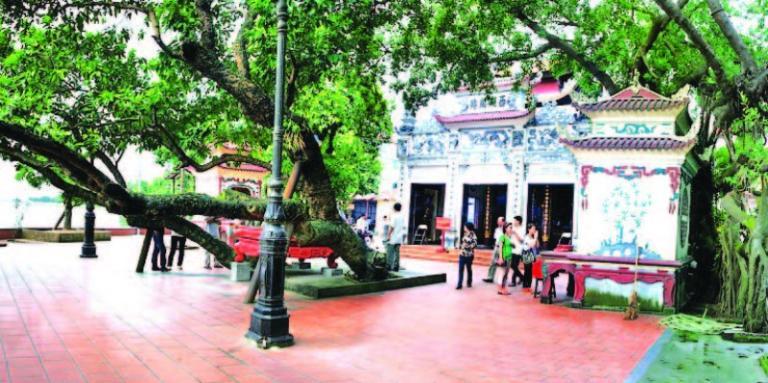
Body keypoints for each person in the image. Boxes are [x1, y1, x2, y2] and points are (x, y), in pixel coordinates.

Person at [483, 216, 506, 283]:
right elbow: (496, 239)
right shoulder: (497, 229)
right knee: (493, 262)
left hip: (503, 248)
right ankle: (490, 277)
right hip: (496, 247)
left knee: (503, 264)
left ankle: (503, 279)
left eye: (499, 221)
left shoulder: (506, 230)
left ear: (503, 222)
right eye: (497, 221)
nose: (498, 222)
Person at [456, 222, 478, 289]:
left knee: (469, 269)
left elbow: (475, 244)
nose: (464, 228)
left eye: (465, 226)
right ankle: (459, 284)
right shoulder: (465, 234)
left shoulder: (473, 235)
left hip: (469, 255)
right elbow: (464, 243)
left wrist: (467, 247)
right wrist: (460, 246)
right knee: (460, 269)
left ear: (468, 227)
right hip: (462, 254)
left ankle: (469, 282)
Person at [386, 203, 405, 271]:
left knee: (390, 252)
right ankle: (396, 266)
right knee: (397, 253)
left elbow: (392, 226)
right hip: (399, 237)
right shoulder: (402, 216)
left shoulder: (394, 216)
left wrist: (388, 235)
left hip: (393, 236)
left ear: (394, 208)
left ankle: (389, 265)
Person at [497, 223, 515, 295]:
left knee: (506, 274)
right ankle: (500, 288)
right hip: (504, 258)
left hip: (509, 258)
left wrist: (512, 245)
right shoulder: (502, 237)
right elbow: (500, 248)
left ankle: (503, 287)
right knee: (502, 273)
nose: (511, 229)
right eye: (510, 227)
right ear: (505, 229)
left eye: (511, 228)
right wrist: (501, 258)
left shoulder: (509, 237)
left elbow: (508, 246)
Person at [522, 223, 540, 292]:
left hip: (532, 254)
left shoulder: (533, 237)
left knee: (530, 271)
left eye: (534, 229)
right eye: (533, 229)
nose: (534, 230)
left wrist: (536, 238)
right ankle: (525, 286)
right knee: (527, 271)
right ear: (529, 229)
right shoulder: (526, 237)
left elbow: (537, 246)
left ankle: (528, 286)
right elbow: (531, 245)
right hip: (527, 254)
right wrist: (535, 238)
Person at [509, 216, 525, 287]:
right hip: (512, 249)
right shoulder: (513, 228)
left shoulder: (522, 229)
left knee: (514, 265)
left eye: (515, 221)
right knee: (513, 265)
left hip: (518, 250)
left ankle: (516, 280)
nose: (514, 222)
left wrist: (515, 233)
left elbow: (521, 241)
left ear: (518, 221)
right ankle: (521, 278)